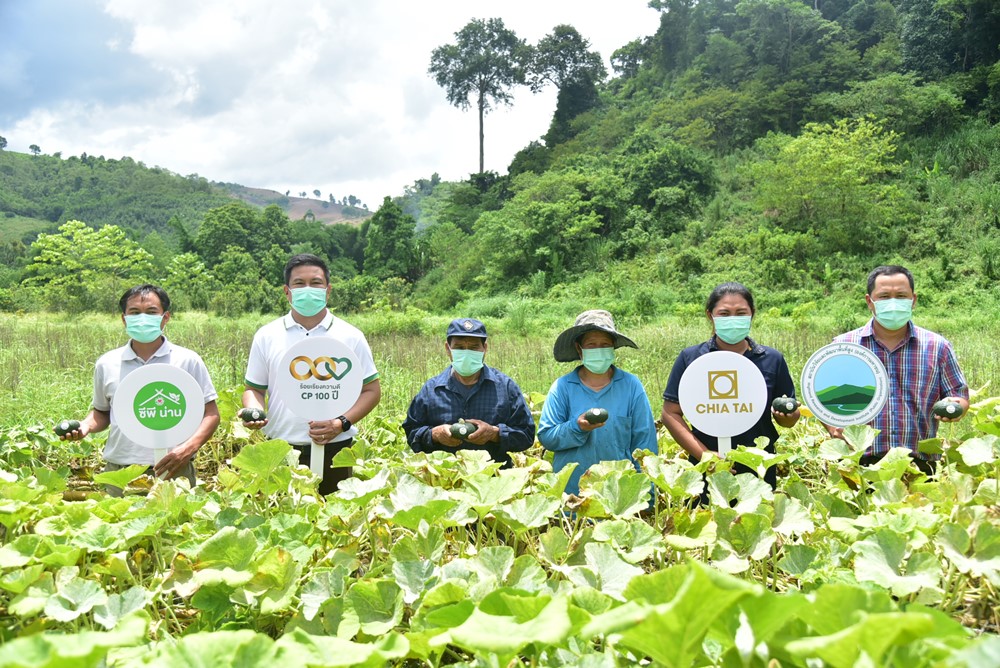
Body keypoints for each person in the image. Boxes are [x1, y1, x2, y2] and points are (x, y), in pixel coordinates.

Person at [56, 284, 220, 496]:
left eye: (151, 312)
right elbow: (102, 412)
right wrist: (85, 426)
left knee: (177, 527)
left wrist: (188, 450)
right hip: (120, 470)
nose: (142, 318)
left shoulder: (187, 360)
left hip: (174, 467)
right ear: (124, 319)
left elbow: (211, 414)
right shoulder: (107, 363)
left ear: (165, 317)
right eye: (134, 312)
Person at [242, 253, 381, 495]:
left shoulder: (350, 336)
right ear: (287, 292)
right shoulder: (267, 335)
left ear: (327, 291)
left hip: (336, 447)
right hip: (280, 448)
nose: (308, 289)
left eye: (316, 283)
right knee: (284, 523)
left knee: (336, 522)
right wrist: (254, 411)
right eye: (299, 283)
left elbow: (371, 391)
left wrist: (341, 423)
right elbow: (254, 388)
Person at [829, 265, 968, 475]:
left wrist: (955, 406)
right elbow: (821, 398)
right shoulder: (844, 346)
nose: (893, 302)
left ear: (913, 299)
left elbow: (958, 394)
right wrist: (831, 427)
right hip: (860, 466)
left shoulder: (937, 346)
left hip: (922, 466)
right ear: (870, 301)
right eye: (884, 296)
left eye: (901, 296)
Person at [661, 282, 799, 490]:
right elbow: (670, 414)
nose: (732, 319)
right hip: (706, 467)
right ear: (710, 315)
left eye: (741, 313)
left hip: (759, 464)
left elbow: (789, 418)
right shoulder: (691, 358)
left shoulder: (772, 359)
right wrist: (705, 457)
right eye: (724, 314)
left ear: (752, 313)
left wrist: (787, 417)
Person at [538, 310, 657, 497]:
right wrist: (577, 427)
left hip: (619, 494)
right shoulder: (562, 387)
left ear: (613, 348)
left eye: (605, 345)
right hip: (572, 495)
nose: (598, 349)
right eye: (591, 345)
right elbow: (547, 436)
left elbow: (645, 444)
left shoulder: (631, 386)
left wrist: (646, 496)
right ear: (579, 349)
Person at [402, 318, 535, 468]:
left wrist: (495, 433)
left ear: (485, 348)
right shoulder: (431, 390)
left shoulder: (506, 387)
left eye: (473, 347)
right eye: (459, 347)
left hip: (493, 481)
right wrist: (434, 434)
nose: (466, 353)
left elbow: (526, 435)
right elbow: (411, 432)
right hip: (446, 481)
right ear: (448, 348)